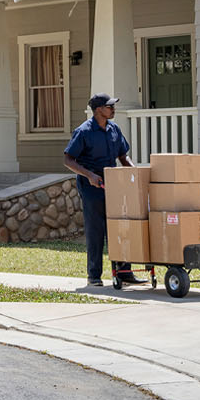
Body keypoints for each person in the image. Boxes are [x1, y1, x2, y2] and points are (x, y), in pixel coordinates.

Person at [63, 93, 143, 287]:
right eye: (110, 106)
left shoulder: (114, 129)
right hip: (91, 185)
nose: (113, 109)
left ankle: (124, 272)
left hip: (113, 183)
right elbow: (68, 160)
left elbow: (123, 156)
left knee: (119, 226)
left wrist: (136, 174)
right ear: (99, 110)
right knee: (96, 229)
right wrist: (89, 175)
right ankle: (94, 275)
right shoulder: (83, 132)